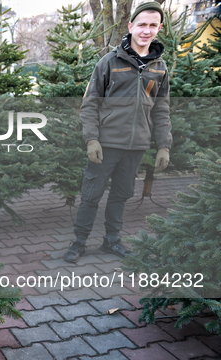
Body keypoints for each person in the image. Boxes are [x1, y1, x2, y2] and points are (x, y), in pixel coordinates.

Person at [64, 1, 173, 263]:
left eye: (153, 25)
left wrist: (164, 145)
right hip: (106, 143)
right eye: (142, 24)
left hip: (136, 146)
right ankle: (79, 242)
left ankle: (111, 241)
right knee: (91, 195)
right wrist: (91, 140)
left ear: (159, 28)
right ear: (131, 26)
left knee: (121, 195)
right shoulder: (109, 62)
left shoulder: (159, 67)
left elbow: (161, 108)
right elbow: (90, 103)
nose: (146, 30)